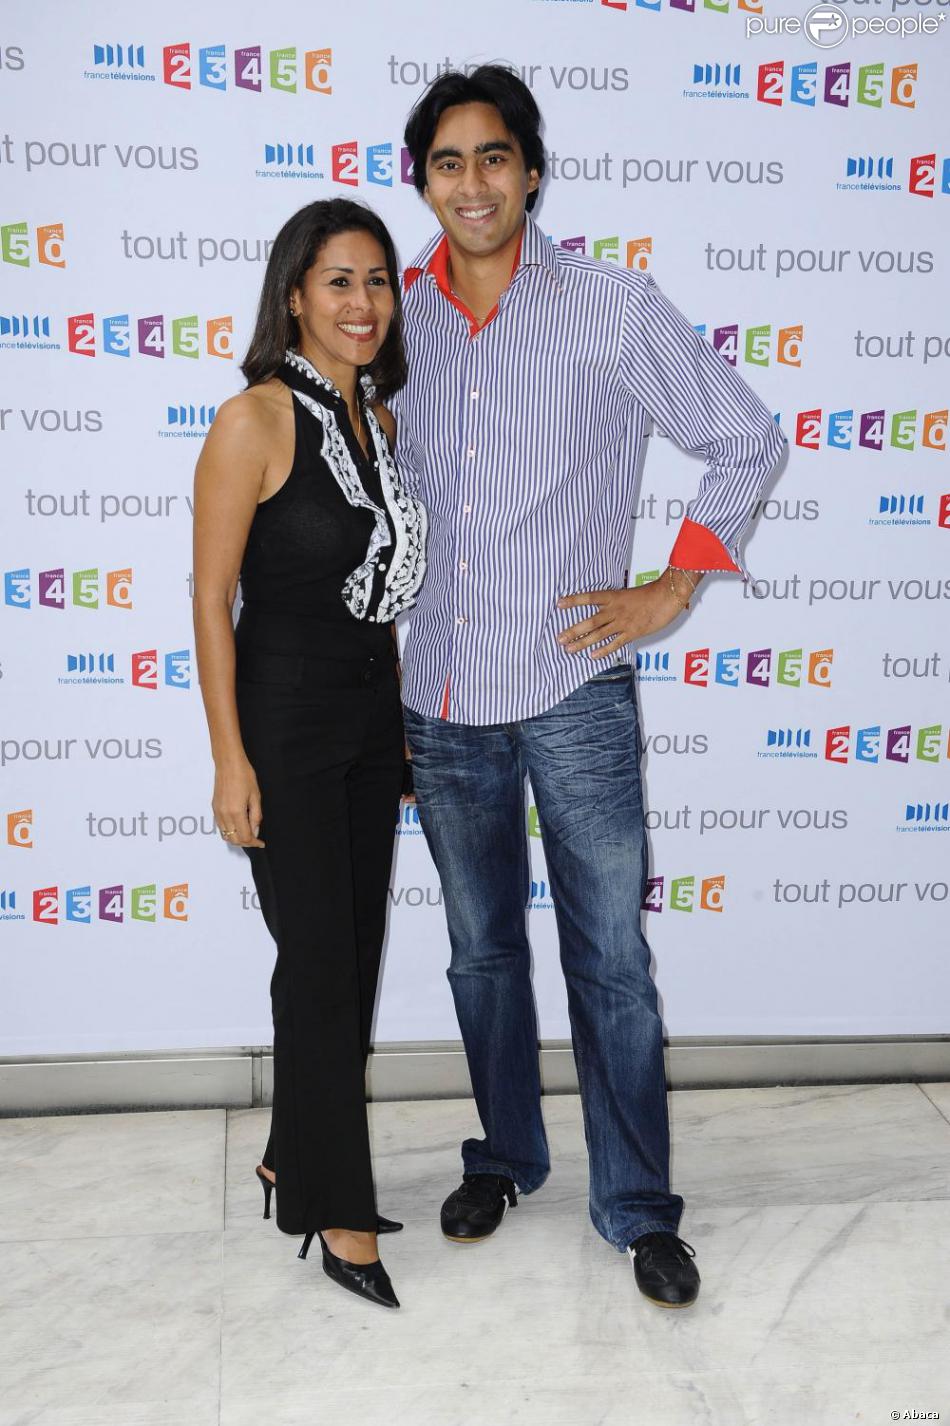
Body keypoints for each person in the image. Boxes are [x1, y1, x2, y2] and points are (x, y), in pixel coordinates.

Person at [393, 66, 786, 1309]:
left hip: (573, 685)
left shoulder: (611, 307)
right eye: (447, 161)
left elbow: (744, 437)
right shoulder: (389, 316)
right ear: (421, 180)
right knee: (478, 954)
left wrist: (672, 588)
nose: (472, 183)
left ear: (530, 171)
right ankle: (505, 1156)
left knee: (609, 958)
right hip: (438, 691)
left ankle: (637, 1207)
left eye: (493, 157)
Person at [192, 198, 426, 1311]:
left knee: (348, 957)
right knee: (322, 969)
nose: (362, 302)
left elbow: (375, 596)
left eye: (377, 280)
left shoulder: (379, 421)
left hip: (370, 726)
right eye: (339, 280)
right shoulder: (255, 418)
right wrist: (229, 760)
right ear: (294, 294)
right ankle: (337, 1211)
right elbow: (210, 598)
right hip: (282, 726)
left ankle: (294, 1152)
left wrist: (398, 722)